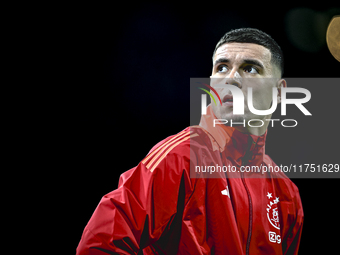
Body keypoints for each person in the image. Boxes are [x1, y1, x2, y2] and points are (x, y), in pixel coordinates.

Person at [76, 28, 303, 255]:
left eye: (250, 69)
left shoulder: (286, 193)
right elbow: (98, 245)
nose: (231, 78)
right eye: (222, 67)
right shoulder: (181, 158)